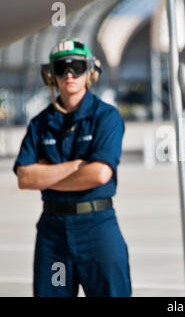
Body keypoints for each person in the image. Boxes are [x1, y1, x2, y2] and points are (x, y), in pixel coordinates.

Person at [13, 38, 131, 297]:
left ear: (89, 72)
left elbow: (100, 174)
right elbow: (24, 177)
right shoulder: (40, 123)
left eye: (77, 66)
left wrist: (46, 174)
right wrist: (78, 166)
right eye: (61, 67)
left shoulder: (106, 116)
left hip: (97, 230)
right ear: (50, 75)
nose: (69, 74)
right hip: (53, 234)